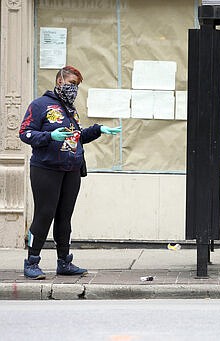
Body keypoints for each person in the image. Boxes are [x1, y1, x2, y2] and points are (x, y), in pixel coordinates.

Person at [19, 65, 121, 279]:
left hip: (71, 169)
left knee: (64, 217)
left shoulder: (70, 109)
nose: (74, 89)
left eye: (77, 85)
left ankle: (64, 261)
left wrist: (97, 130)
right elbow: (25, 133)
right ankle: (32, 262)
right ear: (59, 82)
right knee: (44, 214)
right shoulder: (40, 105)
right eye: (71, 84)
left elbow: (76, 137)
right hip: (46, 169)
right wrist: (49, 137)